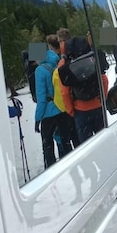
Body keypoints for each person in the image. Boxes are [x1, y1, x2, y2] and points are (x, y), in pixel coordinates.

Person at [59, 30, 109, 144]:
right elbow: (104, 80)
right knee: (103, 142)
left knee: (87, 147)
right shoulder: (93, 59)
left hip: (81, 111)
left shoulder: (66, 65)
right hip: (98, 107)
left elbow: (65, 92)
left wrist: (71, 111)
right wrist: (102, 100)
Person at [34, 34, 73, 167]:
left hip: (48, 113)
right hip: (61, 108)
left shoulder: (40, 70)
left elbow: (41, 99)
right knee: (64, 140)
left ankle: (51, 170)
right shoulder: (58, 63)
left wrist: (37, 118)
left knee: (48, 144)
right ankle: (68, 165)